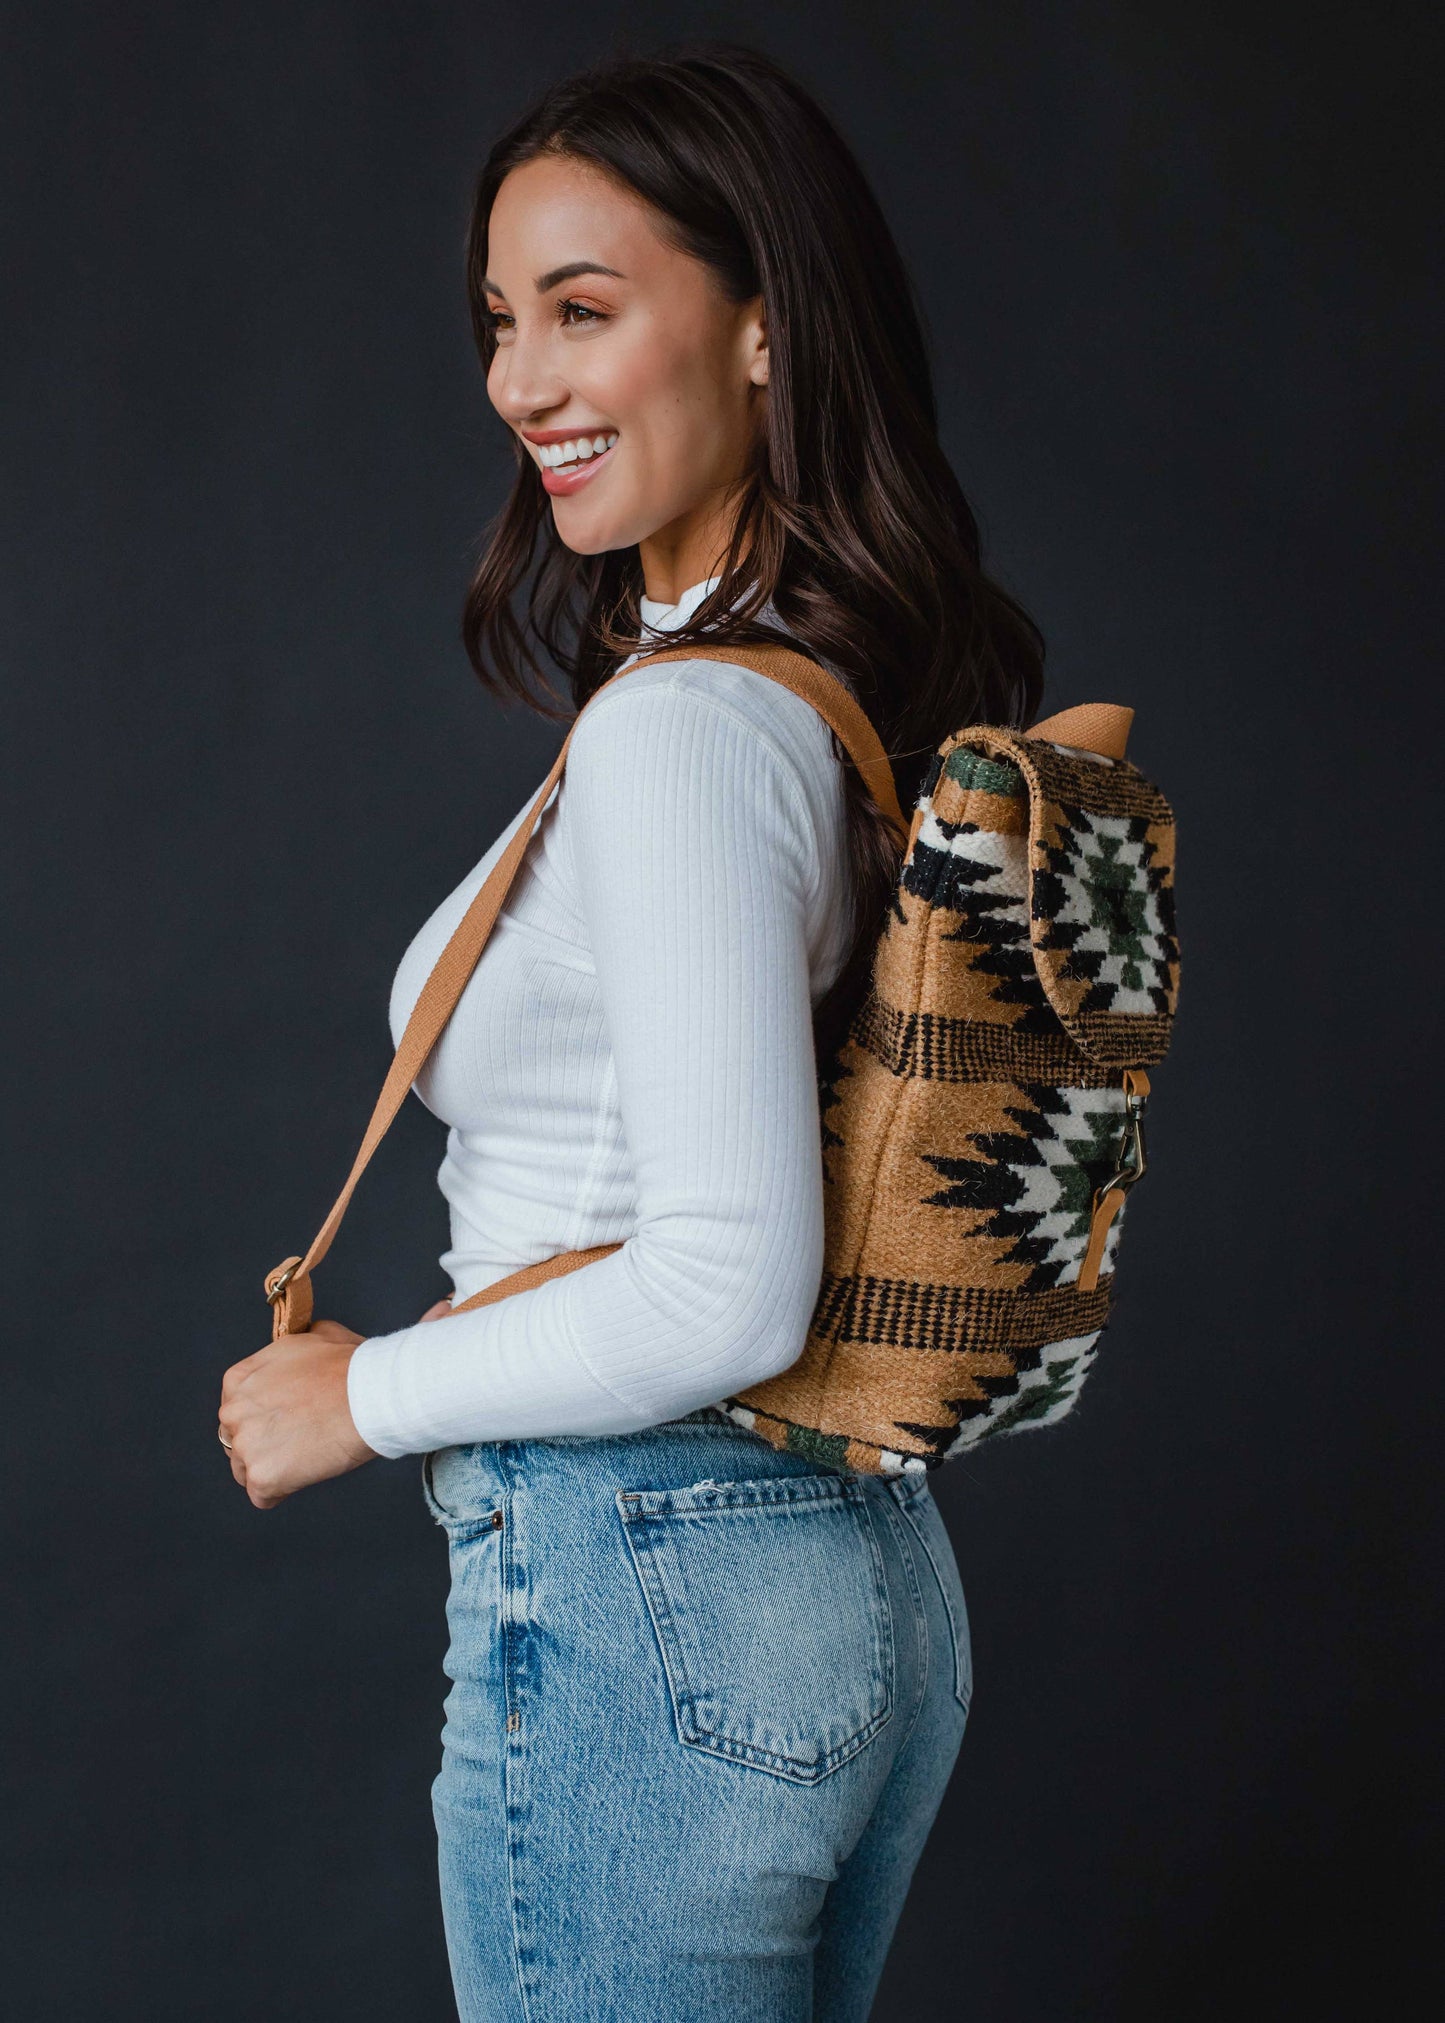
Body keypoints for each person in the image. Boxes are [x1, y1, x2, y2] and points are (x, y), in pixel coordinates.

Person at [218, 42, 1044, 2022]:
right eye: (505, 324)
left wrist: (368, 1393)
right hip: (845, 1571)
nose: (522, 384)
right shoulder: (803, 704)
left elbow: (733, 1283)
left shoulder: (686, 735)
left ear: (765, 332)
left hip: (641, 1574)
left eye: (586, 312)